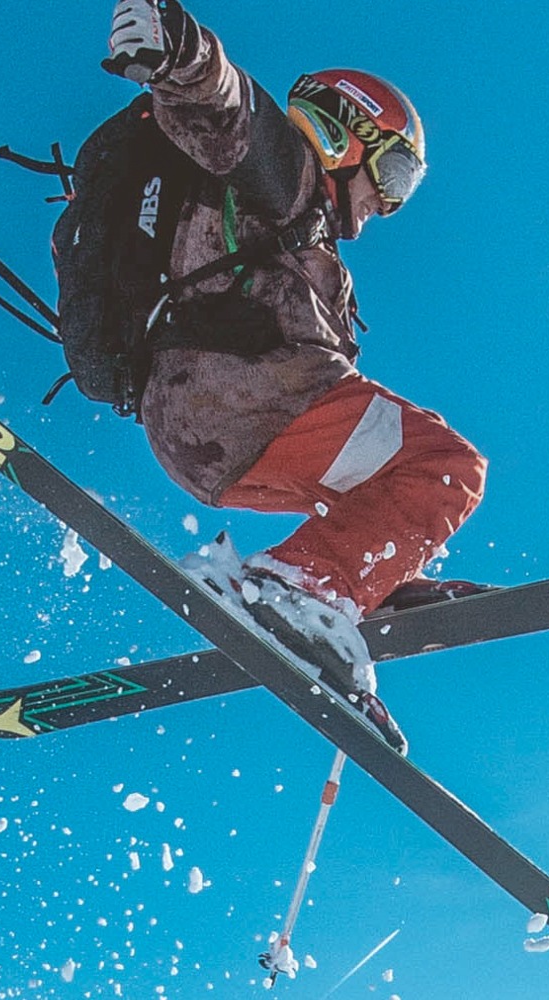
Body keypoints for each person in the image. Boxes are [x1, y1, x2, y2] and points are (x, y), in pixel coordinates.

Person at [102, 0, 485, 753]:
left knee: (393, 481)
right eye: (396, 172)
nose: (388, 203)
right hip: (249, 397)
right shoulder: (285, 169)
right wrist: (177, 47)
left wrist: (390, 569)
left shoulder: (305, 233)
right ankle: (304, 587)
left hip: (205, 434)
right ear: (348, 132)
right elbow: (222, 104)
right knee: (447, 465)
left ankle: (355, 581)